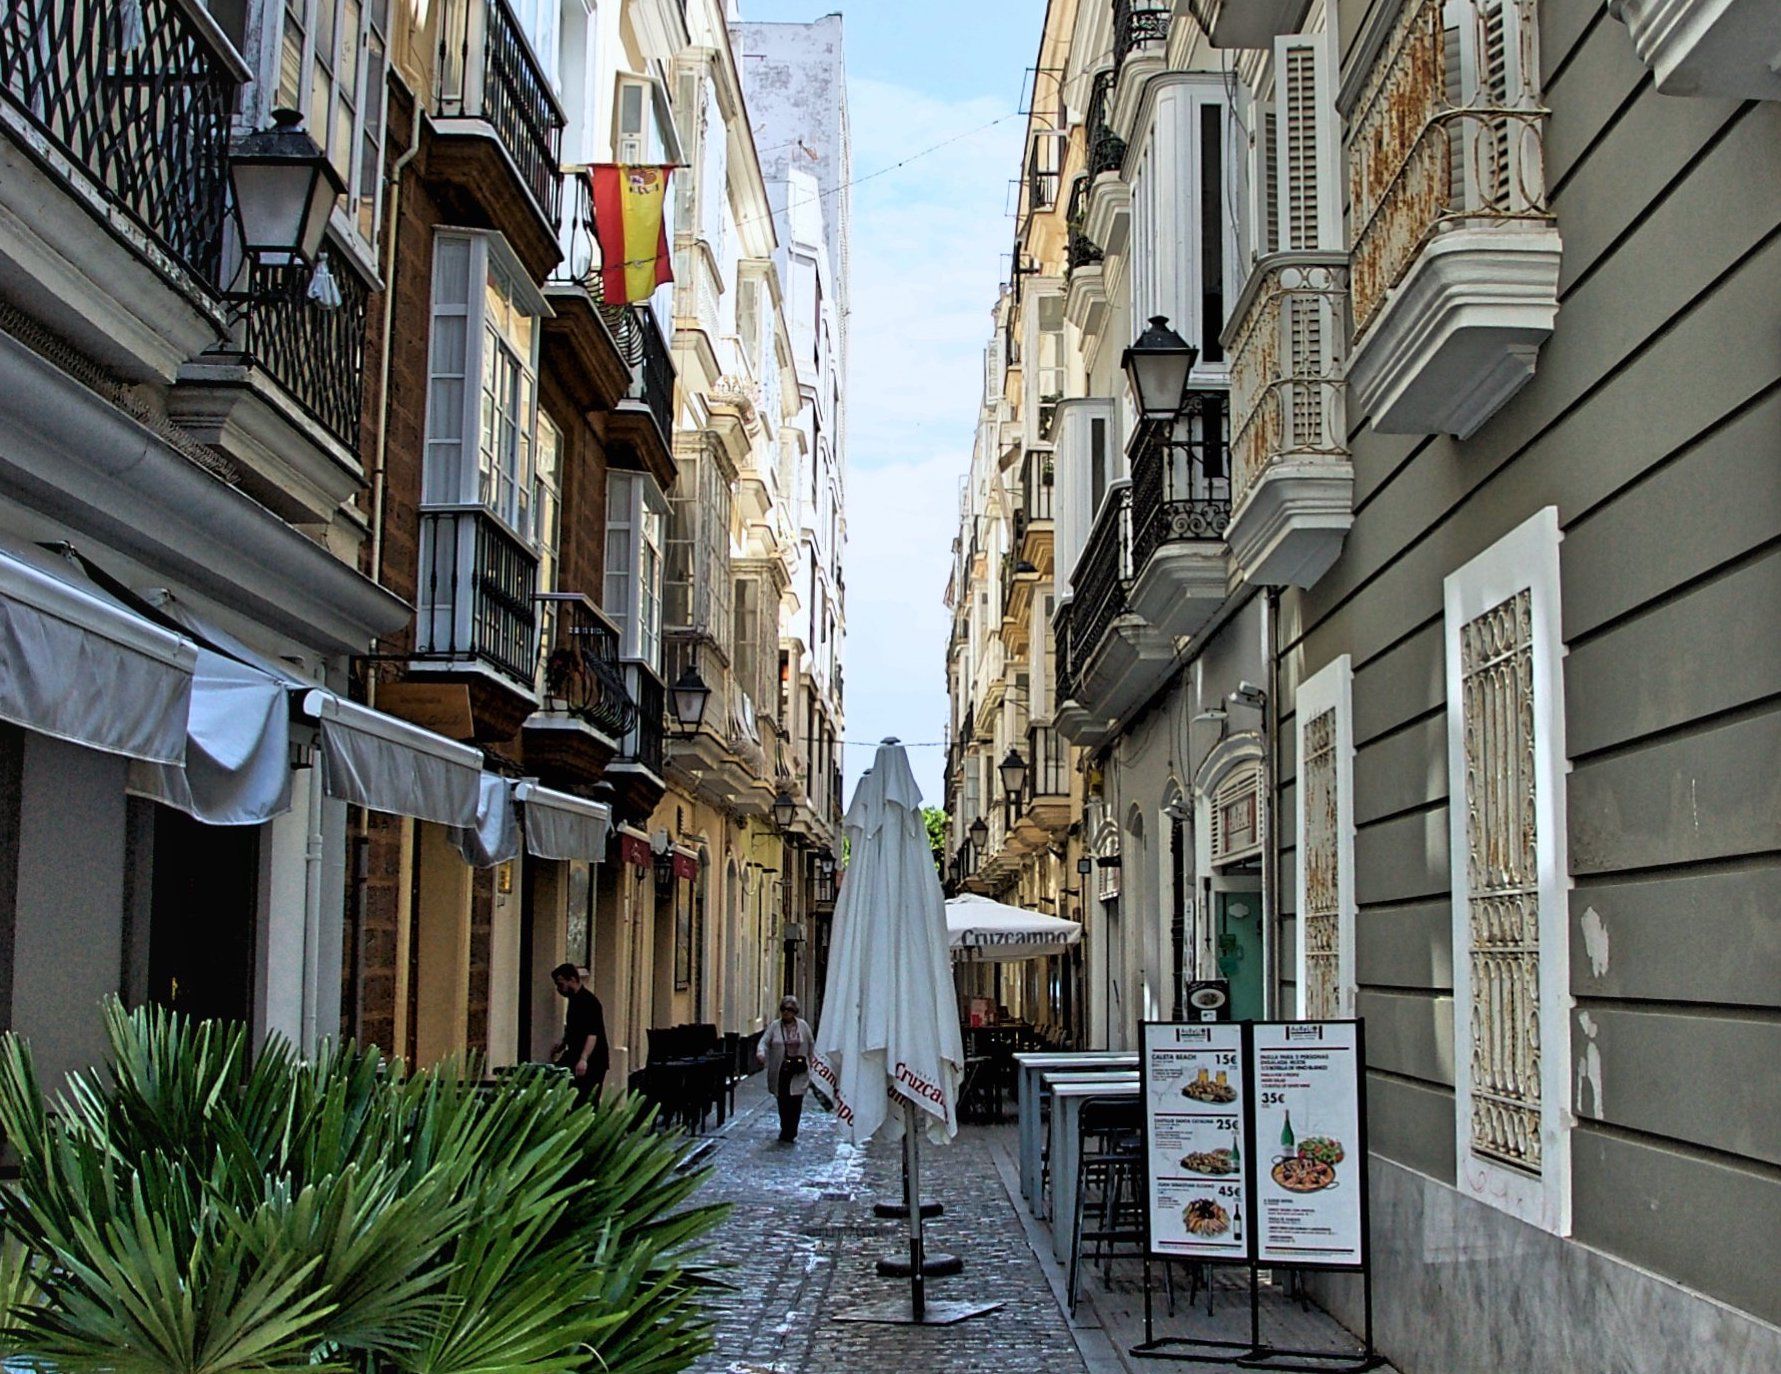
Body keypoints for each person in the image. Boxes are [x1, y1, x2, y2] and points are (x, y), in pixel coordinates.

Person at [756, 995, 815, 1143]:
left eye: (789, 1010)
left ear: (795, 1011)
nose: (786, 1013)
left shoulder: (803, 1026)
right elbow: (764, 1041)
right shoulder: (775, 1026)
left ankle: (792, 1130)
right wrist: (761, 1052)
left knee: (796, 1100)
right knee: (783, 1101)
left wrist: (814, 1063)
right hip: (781, 1070)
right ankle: (785, 1128)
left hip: (798, 1069)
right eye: (783, 1009)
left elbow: (811, 1045)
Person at [549, 963, 608, 1102]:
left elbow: (592, 1034)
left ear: (572, 980)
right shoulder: (574, 1000)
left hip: (594, 1060)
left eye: (561, 984)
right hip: (576, 1054)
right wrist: (563, 1044)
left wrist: (583, 1059)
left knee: (587, 1097)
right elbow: (573, 1028)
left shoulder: (589, 1002)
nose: (559, 989)